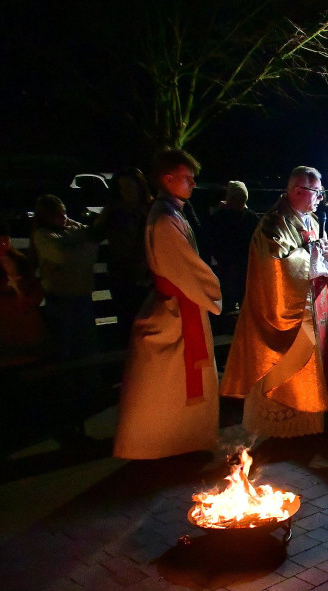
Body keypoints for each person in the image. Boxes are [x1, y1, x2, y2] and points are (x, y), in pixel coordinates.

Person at [221, 167, 328, 438]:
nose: (321, 198)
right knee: (282, 368)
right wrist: (313, 254)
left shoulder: (312, 221)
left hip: (309, 310)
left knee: (307, 365)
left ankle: (306, 421)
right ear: (297, 191)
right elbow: (275, 265)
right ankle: (276, 430)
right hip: (283, 311)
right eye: (317, 192)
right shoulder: (273, 223)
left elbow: (320, 256)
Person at [114, 149, 222, 460]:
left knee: (171, 382)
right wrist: (212, 287)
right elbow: (185, 266)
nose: (193, 185)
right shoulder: (164, 220)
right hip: (174, 308)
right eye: (188, 179)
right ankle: (161, 443)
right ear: (168, 178)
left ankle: (181, 439)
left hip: (178, 303)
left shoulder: (170, 213)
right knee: (166, 384)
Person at [31, 194, 100, 361]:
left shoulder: (70, 229)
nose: (64, 218)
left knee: (86, 345)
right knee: (65, 345)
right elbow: (64, 256)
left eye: (64, 213)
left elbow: (90, 237)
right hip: (60, 296)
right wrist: (82, 247)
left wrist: (74, 242)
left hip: (82, 294)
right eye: (58, 215)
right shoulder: (42, 236)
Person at [94, 167, 153, 346]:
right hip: (123, 275)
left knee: (148, 322)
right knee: (127, 323)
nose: (126, 191)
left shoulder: (151, 210)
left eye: (129, 186)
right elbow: (95, 234)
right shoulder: (114, 212)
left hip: (147, 275)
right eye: (122, 187)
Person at [0, 211, 46, 368]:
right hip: (5, 327)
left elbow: (35, 286)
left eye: (5, 239)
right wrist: (10, 303)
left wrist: (32, 299)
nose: (2, 244)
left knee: (35, 365)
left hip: (29, 324)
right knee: (14, 367)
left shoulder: (19, 260)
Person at [206, 180, 260, 312]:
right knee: (227, 295)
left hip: (243, 265)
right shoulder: (221, 217)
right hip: (227, 264)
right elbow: (213, 240)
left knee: (242, 295)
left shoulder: (251, 218)